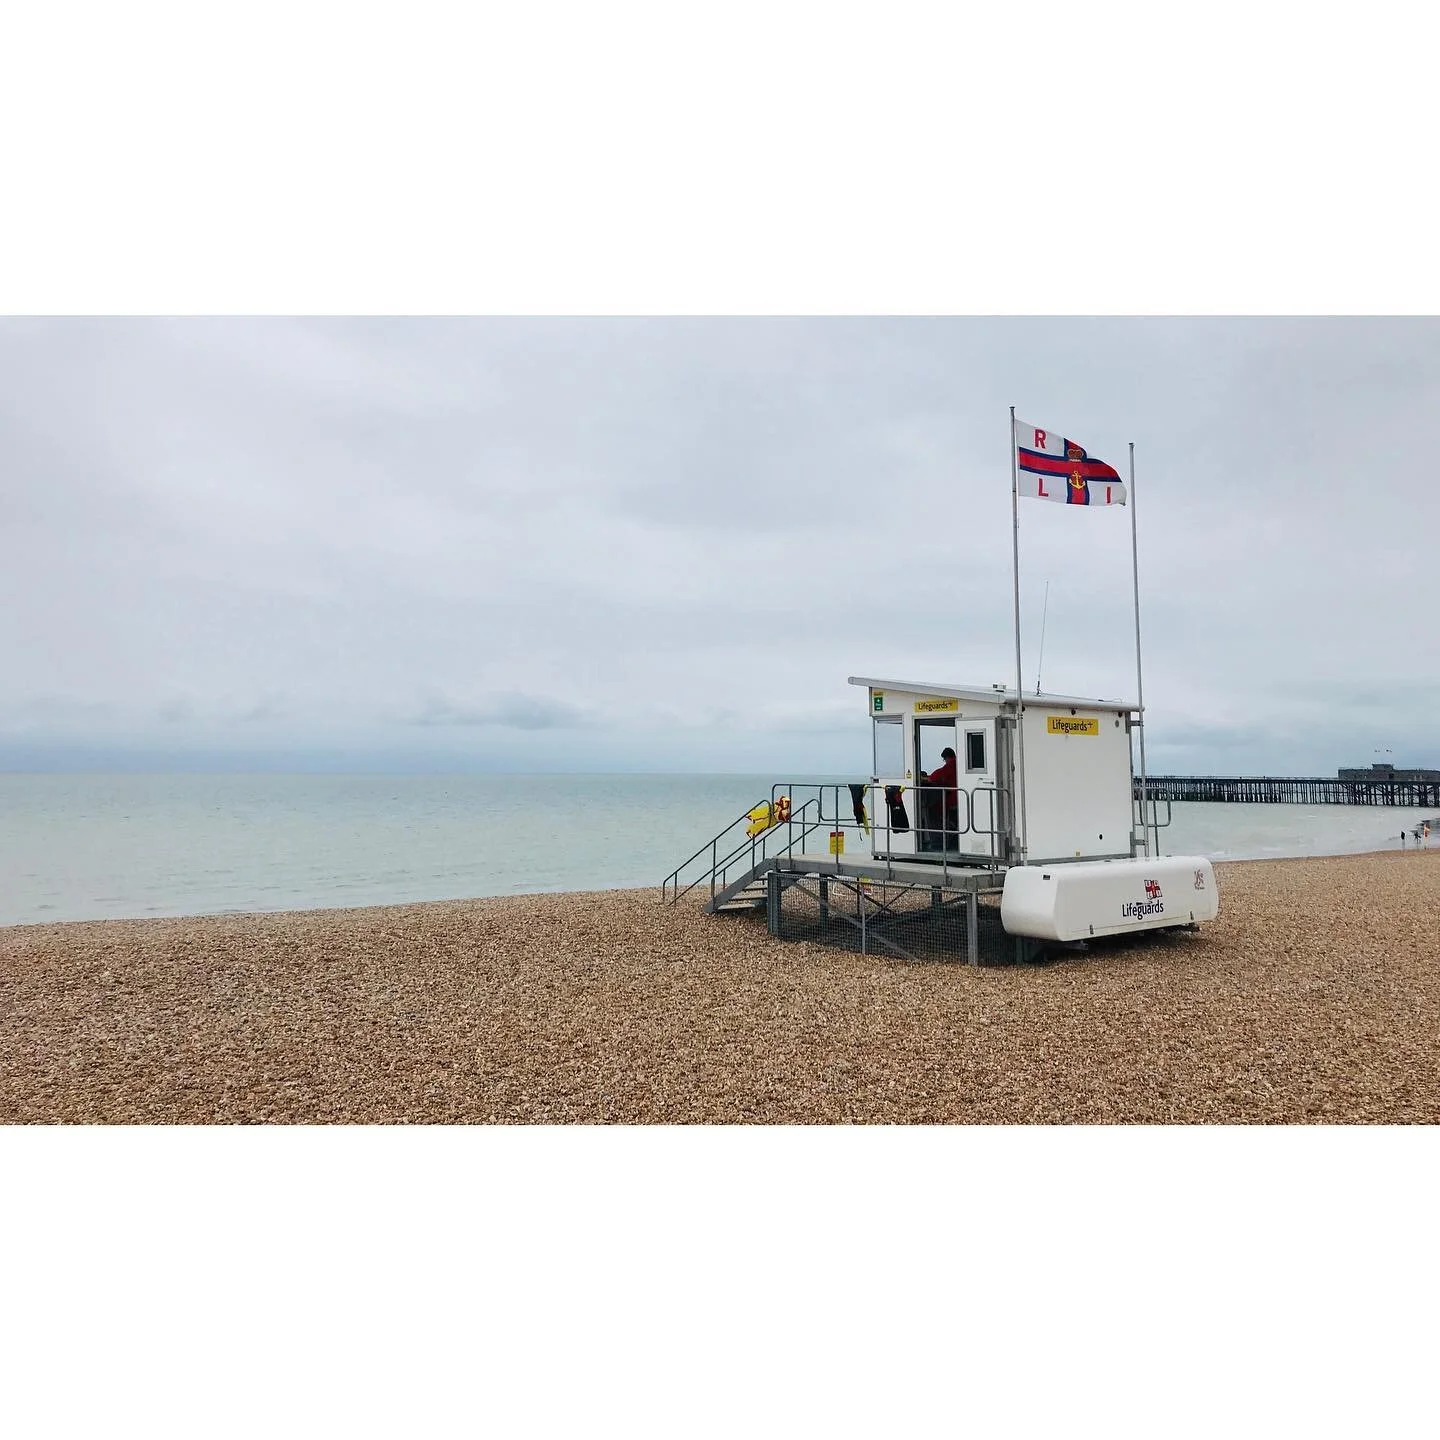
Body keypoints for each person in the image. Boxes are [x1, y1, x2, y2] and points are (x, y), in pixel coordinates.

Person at [923, 746, 960, 833]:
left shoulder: (950, 765)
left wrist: (928, 778)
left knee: (934, 806)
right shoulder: (958, 764)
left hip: (953, 798)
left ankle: (940, 830)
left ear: (946, 757)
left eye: (944, 759)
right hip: (957, 795)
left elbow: (936, 776)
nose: (945, 761)